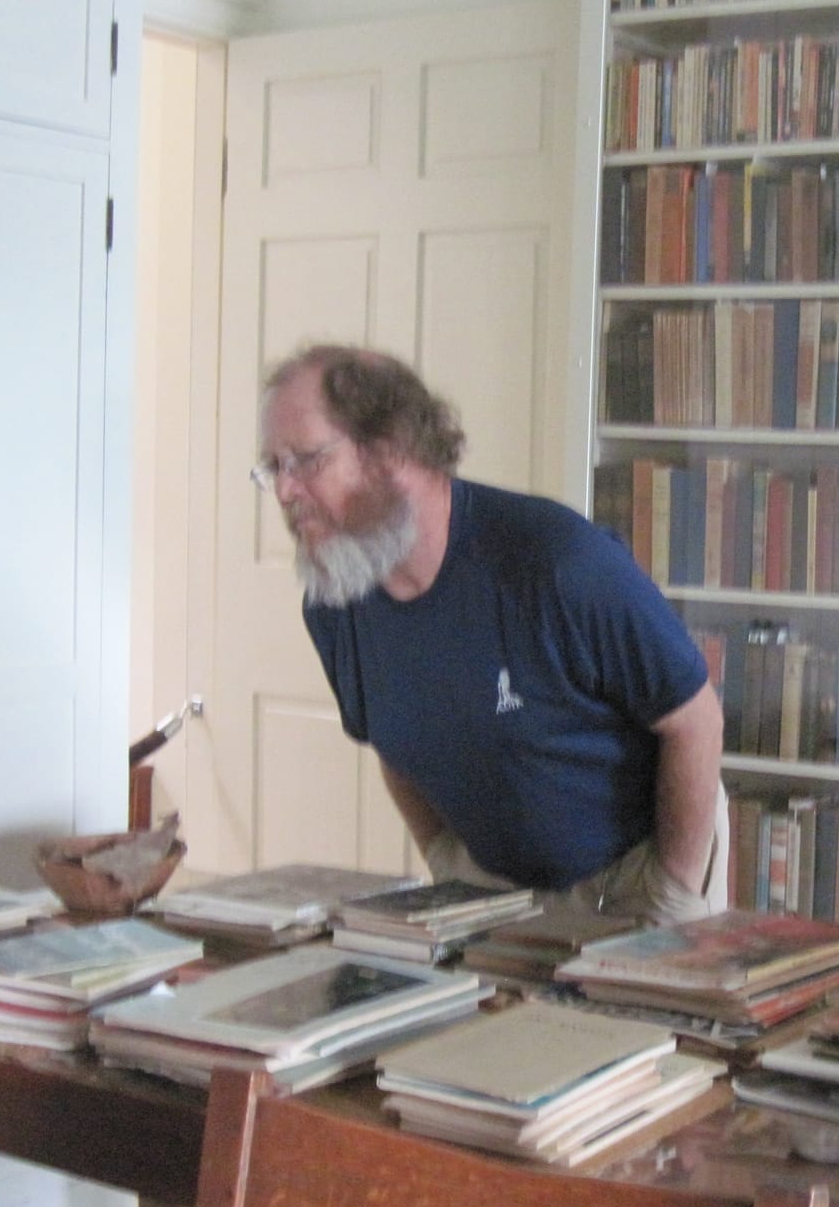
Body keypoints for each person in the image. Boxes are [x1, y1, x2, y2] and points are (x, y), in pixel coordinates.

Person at [256, 343, 727, 926]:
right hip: (491, 895)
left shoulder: (559, 563)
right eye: (274, 467)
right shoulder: (336, 603)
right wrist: (447, 862)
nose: (284, 491)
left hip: (633, 882)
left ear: (391, 449)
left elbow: (695, 721)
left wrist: (673, 892)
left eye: (306, 461)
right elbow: (391, 744)